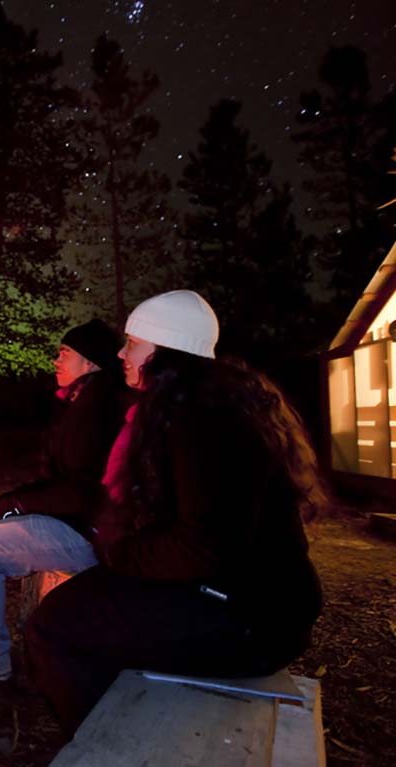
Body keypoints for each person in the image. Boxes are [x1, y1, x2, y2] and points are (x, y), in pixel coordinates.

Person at [24, 290, 325, 735]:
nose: (122, 353)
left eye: (133, 343)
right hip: (235, 598)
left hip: (253, 619)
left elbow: (204, 544)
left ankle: (113, 748)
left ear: (165, 350)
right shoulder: (199, 401)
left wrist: (119, 553)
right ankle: (129, 722)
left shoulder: (205, 415)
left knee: (54, 627)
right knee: (85, 607)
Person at [0, 319, 131, 681]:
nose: (56, 360)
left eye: (64, 353)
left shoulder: (98, 411)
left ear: (89, 363)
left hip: (91, 536)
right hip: (75, 522)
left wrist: (18, 504)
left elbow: (82, 491)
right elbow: (58, 480)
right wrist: (6, 503)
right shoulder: (82, 402)